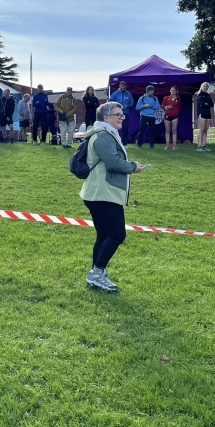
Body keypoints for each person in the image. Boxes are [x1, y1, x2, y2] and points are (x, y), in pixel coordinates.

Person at [80, 102, 144, 292]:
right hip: (103, 193)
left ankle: (96, 274)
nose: (121, 118)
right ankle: (96, 273)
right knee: (117, 234)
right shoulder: (103, 136)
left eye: (122, 115)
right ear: (106, 118)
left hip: (100, 192)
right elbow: (113, 162)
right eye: (117, 115)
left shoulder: (104, 134)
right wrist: (133, 167)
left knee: (104, 235)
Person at [109, 81, 135, 146]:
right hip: (117, 114)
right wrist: (117, 105)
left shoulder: (128, 94)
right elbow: (110, 101)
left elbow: (132, 103)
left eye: (124, 85)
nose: (122, 87)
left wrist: (127, 106)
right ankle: (115, 143)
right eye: (121, 85)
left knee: (125, 128)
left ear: (126, 86)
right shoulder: (116, 93)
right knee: (115, 128)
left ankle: (125, 144)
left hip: (125, 113)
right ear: (119, 86)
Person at [196, 82, 213, 152]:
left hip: (208, 114)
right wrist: (206, 103)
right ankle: (199, 146)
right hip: (202, 113)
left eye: (206, 86)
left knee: (206, 130)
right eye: (204, 86)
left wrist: (207, 103)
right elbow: (202, 104)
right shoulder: (199, 95)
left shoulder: (208, 95)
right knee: (201, 130)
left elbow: (212, 104)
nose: (205, 87)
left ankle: (204, 145)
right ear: (201, 87)